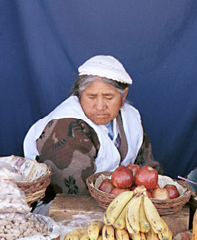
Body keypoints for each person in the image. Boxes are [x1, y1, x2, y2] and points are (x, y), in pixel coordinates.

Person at [23, 55, 162, 209]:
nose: (100, 106)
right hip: (65, 209)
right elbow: (75, 196)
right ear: (80, 95)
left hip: (121, 206)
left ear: (124, 96)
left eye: (109, 97)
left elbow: (150, 171)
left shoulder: (131, 118)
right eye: (91, 97)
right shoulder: (66, 126)